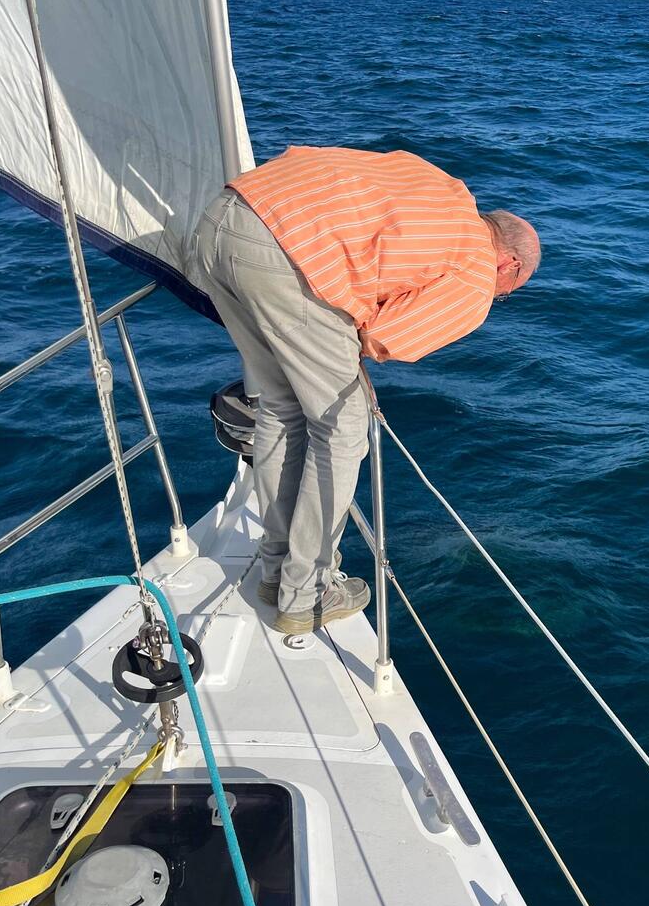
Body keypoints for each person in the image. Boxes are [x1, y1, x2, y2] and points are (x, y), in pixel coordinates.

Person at [195, 146, 540, 634]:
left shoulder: (441, 189)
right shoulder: (479, 263)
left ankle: (276, 572)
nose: (497, 296)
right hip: (288, 253)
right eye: (507, 293)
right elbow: (384, 337)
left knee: (280, 408)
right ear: (509, 264)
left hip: (222, 219)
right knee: (343, 430)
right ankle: (306, 594)